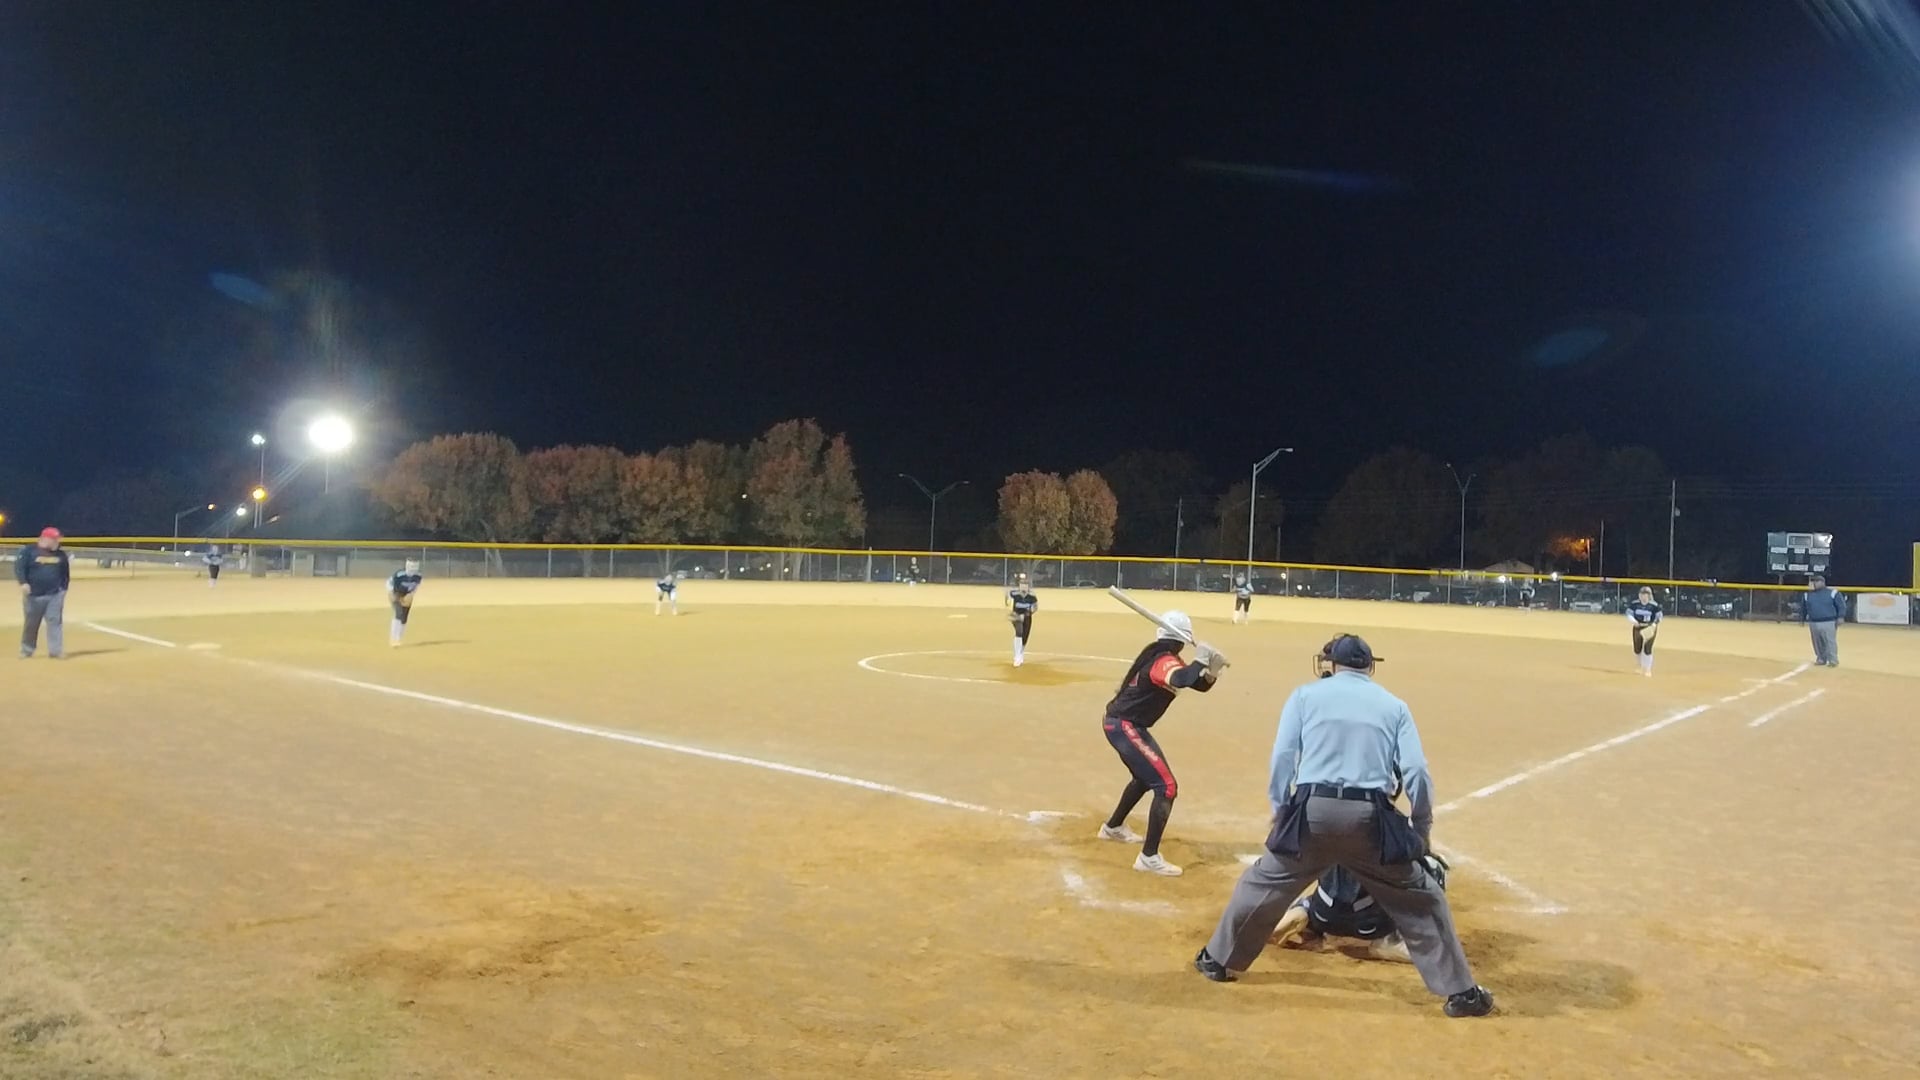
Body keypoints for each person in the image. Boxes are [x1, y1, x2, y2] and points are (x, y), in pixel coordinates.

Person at [1193, 633, 1493, 1017]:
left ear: (1332, 664)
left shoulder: (1304, 696)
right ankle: (1462, 994)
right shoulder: (1394, 705)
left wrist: (1281, 810)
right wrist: (1421, 829)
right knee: (1422, 897)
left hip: (1311, 813)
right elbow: (1416, 772)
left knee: (1262, 884)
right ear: (1369, 667)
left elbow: (1283, 757)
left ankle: (1217, 961)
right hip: (1369, 819)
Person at [1096, 611, 1225, 876]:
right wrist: (1200, 659)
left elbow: (1196, 684)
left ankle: (1113, 827)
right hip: (1125, 725)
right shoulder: (1164, 660)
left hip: (1125, 725)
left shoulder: (1166, 658)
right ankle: (1148, 857)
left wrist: (1212, 670)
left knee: (1145, 779)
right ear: (1183, 638)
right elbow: (1181, 679)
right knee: (1166, 786)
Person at [1272, 855, 1452, 965]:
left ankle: (1307, 914)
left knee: (1333, 881)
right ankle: (1391, 939)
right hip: (1369, 924)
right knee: (1431, 868)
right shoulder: (1386, 824)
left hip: (1323, 915)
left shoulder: (1321, 821)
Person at [16, 527, 70, 660]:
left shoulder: (60, 555)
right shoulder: (29, 551)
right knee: (31, 623)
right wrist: (23, 583)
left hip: (55, 595)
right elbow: (20, 568)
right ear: (45, 538)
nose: (57, 542)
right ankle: (27, 650)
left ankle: (56, 650)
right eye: (55, 539)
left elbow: (65, 573)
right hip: (34, 595)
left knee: (55, 621)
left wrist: (63, 589)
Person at [1802, 575, 1845, 667]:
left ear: (1822, 582)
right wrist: (1802, 618)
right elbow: (1804, 608)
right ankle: (1821, 659)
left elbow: (1841, 605)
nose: (1814, 584)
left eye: (1816, 581)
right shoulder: (1808, 595)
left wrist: (1841, 616)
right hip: (1813, 621)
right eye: (1813, 582)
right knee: (1817, 642)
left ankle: (1833, 660)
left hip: (1829, 621)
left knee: (1829, 641)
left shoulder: (1832, 592)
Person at [1625, 586, 1661, 676]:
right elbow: (1629, 613)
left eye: (1646, 594)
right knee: (1637, 649)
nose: (1643, 596)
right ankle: (1639, 666)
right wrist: (1633, 621)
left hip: (1649, 627)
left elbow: (1659, 617)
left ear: (1649, 595)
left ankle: (1648, 669)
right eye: (1642, 594)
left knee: (1648, 648)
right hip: (1638, 627)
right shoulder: (1635, 604)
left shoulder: (1654, 605)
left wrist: (1654, 624)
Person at [387, 559, 423, 646]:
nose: (413, 569)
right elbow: (389, 583)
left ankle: (398, 638)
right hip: (395, 593)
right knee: (399, 613)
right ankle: (393, 638)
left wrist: (411, 594)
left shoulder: (418, 576)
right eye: (411, 566)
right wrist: (392, 593)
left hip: (407, 595)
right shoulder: (399, 575)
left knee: (404, 617)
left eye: (415, 567)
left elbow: (415, 586)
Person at [1006, 572, 1037, 667]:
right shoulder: (1014, 594)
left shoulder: (1032, 596)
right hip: (1016, 616)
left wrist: (1026, 614)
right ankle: (1017, 657)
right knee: (1019, 632)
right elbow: (1008, 601)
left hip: (1027, 616)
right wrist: (1012, 612)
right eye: (1022, 585)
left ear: (1028, 587)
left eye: (1025, 585)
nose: (1023, 587)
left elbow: (1035, 608)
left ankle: (1021, 652)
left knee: (1025, 636)